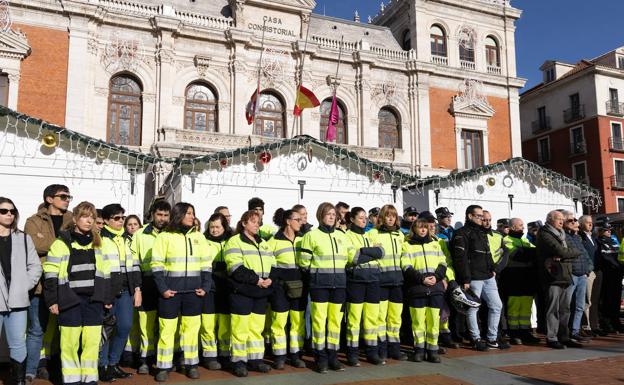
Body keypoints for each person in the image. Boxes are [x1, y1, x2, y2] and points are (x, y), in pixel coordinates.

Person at [43, 201, 112, 385]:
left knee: (91, 343)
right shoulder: (61, 243)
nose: (89, 221)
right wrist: (52, 300)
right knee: (69, 344)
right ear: (74, 219)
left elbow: (105, 272)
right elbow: (50, 273)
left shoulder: (99, 243)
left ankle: (89, 380)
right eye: (84, 216)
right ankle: (72, 381)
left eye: (92, 217)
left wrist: (107, 297)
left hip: (93, 301)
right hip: (69, 300)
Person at [151, 203, 212, 382]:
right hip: (170, 293)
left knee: (192, 330)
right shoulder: (164, 237)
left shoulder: (199, 237)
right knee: (167, 330)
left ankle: (191, 365)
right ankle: (163, 366)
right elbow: (157, 266)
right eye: (188, 213)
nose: (192, 216)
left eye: (193, 213)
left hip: (193, 293)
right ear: (179, 215)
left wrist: (206, 286)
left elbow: (206, 264)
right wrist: (163, 289)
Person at [23, 184, 73, 383]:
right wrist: (64, 241)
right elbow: (33, 244)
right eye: (63, 196)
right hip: (41, 285)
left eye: (69, 196)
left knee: (67, 329)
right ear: (49, 199)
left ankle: (62, 369)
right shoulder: (33, 221)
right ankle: (30, 370)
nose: (67, 199)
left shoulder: (72, 218)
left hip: (68, 283)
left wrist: (48, 241)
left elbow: (81, 240)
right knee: (37, 329)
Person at [299, 202, 353, 373]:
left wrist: (375, 252)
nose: (331, 216)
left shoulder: (342, 235)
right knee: (319, 322)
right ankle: (320, 358)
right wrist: (318, 276)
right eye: (328, 214)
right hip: (319, 286)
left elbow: (351, 257)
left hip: (339, 285)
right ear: (320, 215)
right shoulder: (311, 235)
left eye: (333, 214)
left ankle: (333, 357)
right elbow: (304, 262)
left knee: (335, 323)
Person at [224, 210, 275, 377]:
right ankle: (238, 362)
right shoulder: (234, 242)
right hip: (242, 292)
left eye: (258, 221)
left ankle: (255, 361)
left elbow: (273, 265)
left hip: (260, 293)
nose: (257, 224)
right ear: (244, 223)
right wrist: (257, 280)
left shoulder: (264, 243)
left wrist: (269, 280)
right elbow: (235, 268)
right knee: (240, 329)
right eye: (253, 221)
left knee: (256, 329)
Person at [451, 205, 506, 351]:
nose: (482, 219)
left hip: (488, 276)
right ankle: (475, 338)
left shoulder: (482, 232)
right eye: (479, 216)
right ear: (470, 216)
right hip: (473, 278)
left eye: (482, 216)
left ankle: (492, 338)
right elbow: (460, 258)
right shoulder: (461, 233)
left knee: (497, 306)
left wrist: (493, 269)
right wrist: (465, 279)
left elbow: (489, 255)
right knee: (473, 307)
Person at [0, 197, 42, 385]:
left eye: (12, 211)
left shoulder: (24, 238)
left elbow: (35, 267)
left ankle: (19, 381)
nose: (9, 214)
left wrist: (23, 286)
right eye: (4, 211)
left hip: (17, 301)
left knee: (18, 344)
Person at [98, 204, 142, 381]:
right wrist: (103, 294)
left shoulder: (127, 239)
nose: (121, 221)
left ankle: (114, 363)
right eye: (116, 218)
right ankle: (103, 366)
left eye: (122, 218)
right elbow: (98, 269)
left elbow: (135, 266)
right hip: (108, 291)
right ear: (107, 220)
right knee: (106, 330)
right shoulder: (99, 239)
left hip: (126, 291)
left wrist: (137, 289)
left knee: (124, 327)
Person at [130, 200, 171, 374]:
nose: (162, 219)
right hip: (147, 282)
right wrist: (137, 288)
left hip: (168, 283)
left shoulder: (173, 234)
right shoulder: (139, 234)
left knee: (166, 325)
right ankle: (145, 359)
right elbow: (134, 263)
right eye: (159, 215)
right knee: (146, 324)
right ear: (152, 214)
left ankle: (169, 358)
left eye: (166, 215)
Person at [401, 218, 447, 363]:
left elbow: (443, 263)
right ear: (413, 229)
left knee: (434, 321)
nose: (422, 230)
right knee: (418, 321)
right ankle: (419, 350)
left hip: (435, 288)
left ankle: (432, 350)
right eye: (419, 227)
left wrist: (437, 277)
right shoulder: (407, 245)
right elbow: (406, 266)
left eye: (425, 228)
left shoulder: (435, 244)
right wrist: (421, 279)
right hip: (417, 288)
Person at [266, 208, 307, 369]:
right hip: (280, 289)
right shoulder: (272, 242)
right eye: (298, 219)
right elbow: (268, 267)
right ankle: (279, 356)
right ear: (288, 221)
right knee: (279, 323)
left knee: (298, 323)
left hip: (300, 287)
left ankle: (296, 355)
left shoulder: (303, 240)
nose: (301, 222)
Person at [536, 210, 582, 349]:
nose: (562, 221)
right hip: (552, 276)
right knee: (553, 308)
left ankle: (564, 336)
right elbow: (561, 251)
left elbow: (577, 249)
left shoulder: (563, 234)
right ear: (550, 220)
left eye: (562, 219)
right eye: (558, 219)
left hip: (566, 275)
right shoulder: (544, 233)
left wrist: (564, 255)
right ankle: (552, 338)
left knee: (565, 308)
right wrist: (565, 254)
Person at [344, 207, 384, 366]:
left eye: (365, 217)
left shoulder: (368, 235)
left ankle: (372, 352)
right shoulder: (347, 236)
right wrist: (371, 253)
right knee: (354, 320)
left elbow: (381, 252)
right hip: (356, 282)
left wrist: (363, 250)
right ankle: (352, 354)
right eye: (360, 218)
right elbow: (353, 258)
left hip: (373, 280)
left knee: (371, 318)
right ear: (352, 219)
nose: (364, 220)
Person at [367, 204, 408, 361]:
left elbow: (404, 256)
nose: (391, 219)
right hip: (380, 281)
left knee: (395, 317)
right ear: (381, 218)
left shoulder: (400, 235)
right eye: (387, 216)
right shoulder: (372, 234)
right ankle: (381, 349)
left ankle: (394, 349)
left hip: (397, 282)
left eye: (393, 216)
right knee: (380, 318)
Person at [201, 212, 233, 370]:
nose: (214, 230)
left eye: (217, 227)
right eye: (211, 227)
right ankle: (209, 355)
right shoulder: (204, 242)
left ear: (224, 227)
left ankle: (225, 353)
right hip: (210, 288)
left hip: (227, 288)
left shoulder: (231, 242)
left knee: (225, 323)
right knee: (208, 323)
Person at [501, 218, 540, 345]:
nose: (523, 228)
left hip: (527, 279)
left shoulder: (524, 240)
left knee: (526, 307)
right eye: (520, 225)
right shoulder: (506, 240)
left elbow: (536, 252)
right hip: (513, 278)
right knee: (514, 307)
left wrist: (528, 252)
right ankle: (514, 333)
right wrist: (529, 253)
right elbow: (515, 254)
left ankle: (525, 332)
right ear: (512, 227)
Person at [562, 211, 593, 344]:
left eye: (575, 220)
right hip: (572, 275)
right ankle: (565, 332)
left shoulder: (577, 237)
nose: (575, 222)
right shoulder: (563, 237)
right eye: (571, 220)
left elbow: (585, 255)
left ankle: (575, 331)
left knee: (580, 305)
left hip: (582, 275)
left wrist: (588, 269)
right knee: (566, 305)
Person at [578, 215, 604, 337]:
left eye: (591, 222)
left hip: (597, 270)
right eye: (587, 222)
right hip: (588, 272)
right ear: (581, 224)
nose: (590, 224)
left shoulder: (593, 237)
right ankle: (586, 326)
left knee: (595, 299)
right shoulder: (580, 237)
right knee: (587, 300)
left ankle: (594, 325)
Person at [599, 221, 624, 333]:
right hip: (607, 275)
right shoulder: (599, 241)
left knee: (616, 299)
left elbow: (618, 256)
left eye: (610, 229)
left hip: (617, 274)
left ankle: (616, 321)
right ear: (600, 230)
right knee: (607, 300)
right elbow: (605, 258)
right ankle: (607, 323)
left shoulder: (614, 241)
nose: (609, 231)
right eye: (606, 229)